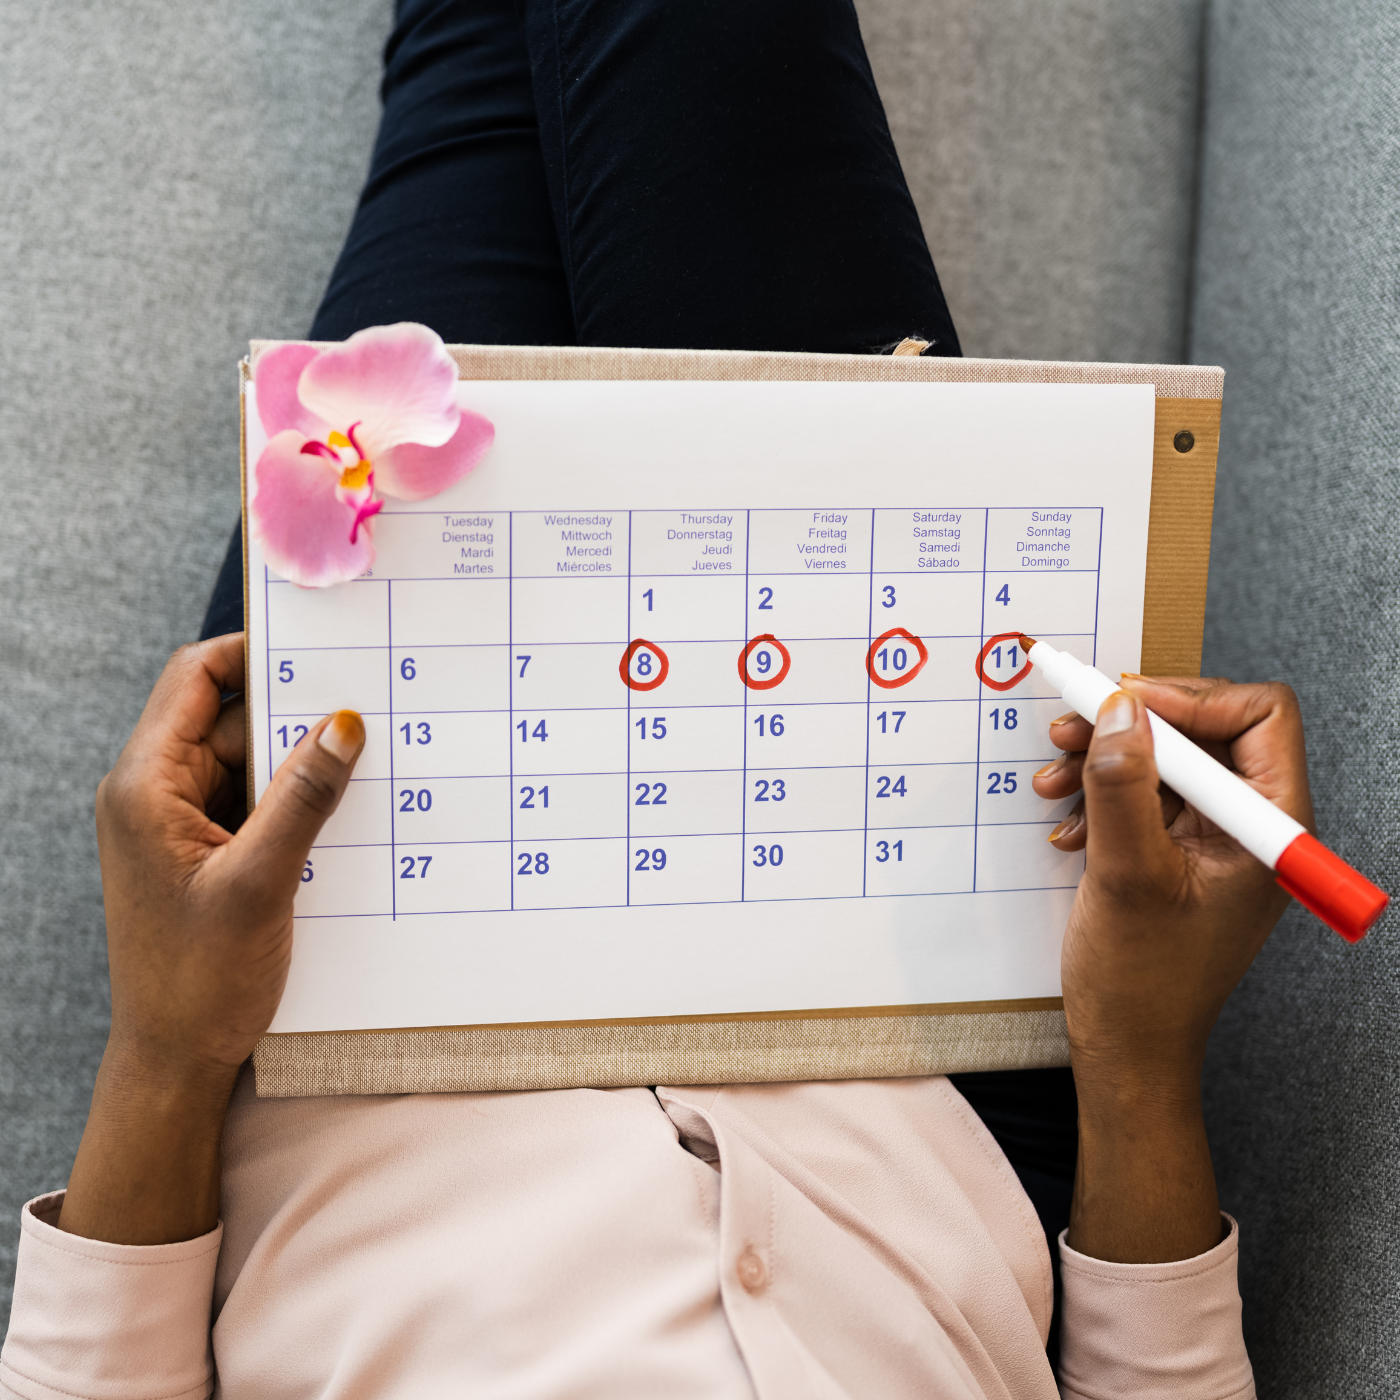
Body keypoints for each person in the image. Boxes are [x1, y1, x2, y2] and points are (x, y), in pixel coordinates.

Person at [0, 2, 1308, 1396]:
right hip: (929, 1046)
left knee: (474, 79)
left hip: (347, 1002)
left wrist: (167, 1045)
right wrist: (1140, 1053)